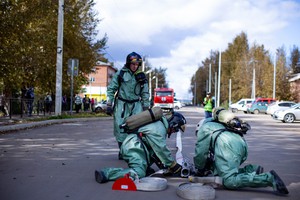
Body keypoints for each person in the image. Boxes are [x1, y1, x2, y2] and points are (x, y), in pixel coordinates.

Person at [193, 107, 289, 195]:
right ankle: (252, 169)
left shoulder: (205, 128)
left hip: (229, 148)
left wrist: (199, 169)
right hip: (241, 146)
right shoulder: (218, 123)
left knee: (228, 181)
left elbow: (201, 152)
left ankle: (268, 179)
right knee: (220, 173)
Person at [95, 111, 186, 183]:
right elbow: (161, 149)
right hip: (133, 147)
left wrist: (165, 166)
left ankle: (144, 167)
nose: (174, 132)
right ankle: (106, 173)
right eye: (176, 129)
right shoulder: (159, 129)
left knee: (150, 164)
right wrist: (173, 165)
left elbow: (157, 152)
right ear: (173, 123)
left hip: (138, 146)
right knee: (139, 173)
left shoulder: (159, 124)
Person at [106, 52, 150, 159]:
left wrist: (146, 106)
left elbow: (145, 92)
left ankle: (133, 150)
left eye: (137, 65)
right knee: (120, 127)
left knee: (136, 128)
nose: (135, 66)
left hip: (136, 105)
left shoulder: (141, 76)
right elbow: (111, 89)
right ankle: (122, 151)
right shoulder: (120, 74)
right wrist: (109, 103)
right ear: (128, 63)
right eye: (133, 64)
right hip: (122, 105)